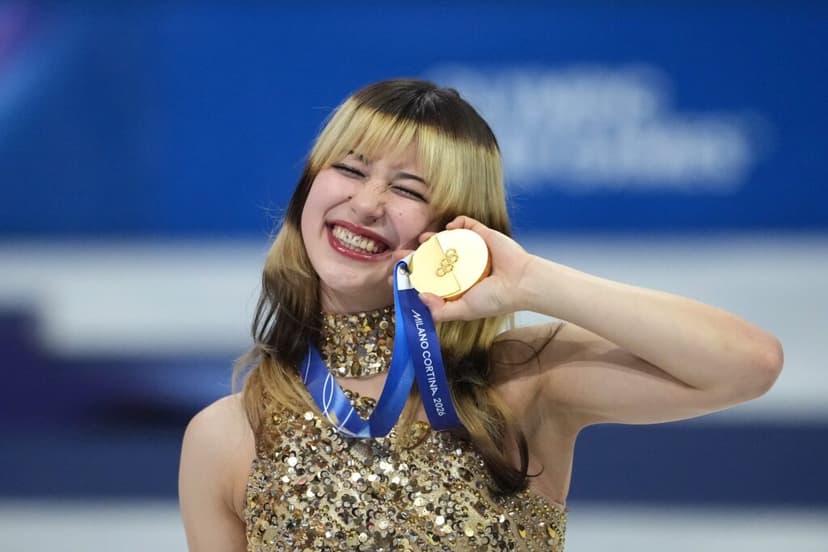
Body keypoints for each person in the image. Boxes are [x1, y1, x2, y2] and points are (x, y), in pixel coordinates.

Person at [178, 79, 783, 551]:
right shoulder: (227, 435)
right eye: (351, 169)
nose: (366, 204)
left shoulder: (521, 382)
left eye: (409, 191)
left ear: (456, 231)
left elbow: (749, 364)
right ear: (309, 186)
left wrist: (531, 283)